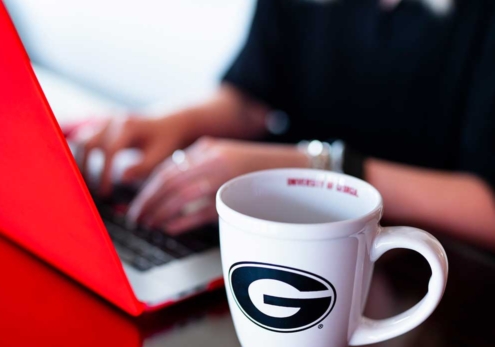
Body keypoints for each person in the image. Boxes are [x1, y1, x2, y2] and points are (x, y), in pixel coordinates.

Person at [75, 0, 495, 250]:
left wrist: (319, 170)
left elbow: (486, 209)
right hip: (296, 241)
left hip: (422, 269)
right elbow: (250, 99)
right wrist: (172, 121)